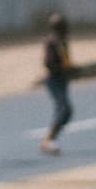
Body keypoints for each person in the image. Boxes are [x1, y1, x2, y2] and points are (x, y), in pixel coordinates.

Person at [39, 13, 73, 156]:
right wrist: (60, 69)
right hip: (54, 80)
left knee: (66, 110)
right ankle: (48, 140)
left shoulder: (63, 42)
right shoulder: (52, 42)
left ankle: (51, 137)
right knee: (63, 108)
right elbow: (48, 63)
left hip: (62, 79)